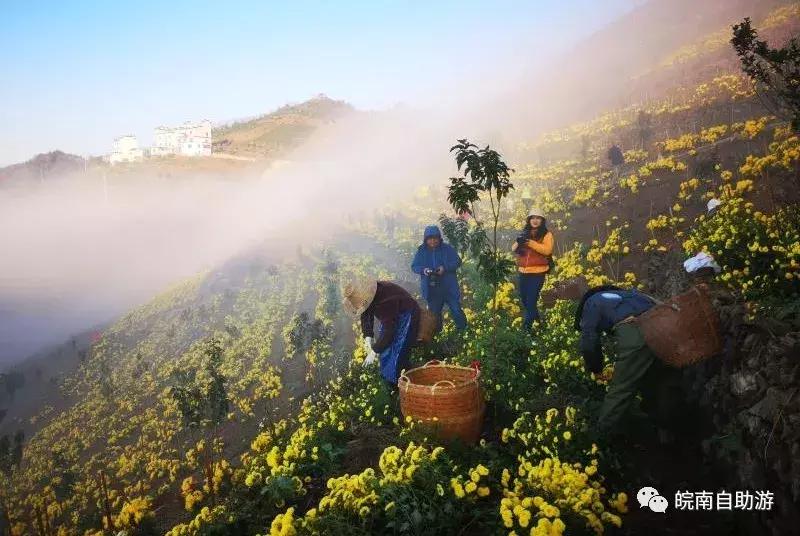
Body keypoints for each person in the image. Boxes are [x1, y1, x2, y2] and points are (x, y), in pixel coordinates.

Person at [545, 277, 684, 438]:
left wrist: (596, 369)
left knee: (621, 388)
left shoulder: (590, 304)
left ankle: (601, 436)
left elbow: (589, 342)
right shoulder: (628, 295)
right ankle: (669, 427)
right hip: (667, 328)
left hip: (638, 331)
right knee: (658, 379)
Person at [343, 278, 421, 385]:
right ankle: (392, 382)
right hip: (391, 318)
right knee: (385, 353)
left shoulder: (384, 302)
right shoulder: (367, 296)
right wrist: (368, 337)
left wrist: (374, 352)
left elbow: (389, 331)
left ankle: (403, 385)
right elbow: (365, 313)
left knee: (399, 353)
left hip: (407, 315)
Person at [411, 225, 467, 332]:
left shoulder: (447, 248)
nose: (433, 241)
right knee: (434, 314)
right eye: (430, 239)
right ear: (426, 239)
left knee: (456, 310)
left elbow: (457, 261)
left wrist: (444, 268)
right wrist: (424, 270)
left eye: (435, 238)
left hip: (449, 287)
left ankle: (463, 331)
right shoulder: (422, 251)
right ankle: (438, 334)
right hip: (432, 289)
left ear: (439, 238)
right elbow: (414, 266)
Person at [511, 208, 554, 331]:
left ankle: (526, 330)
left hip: (537, 273)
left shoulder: (547, 234)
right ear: (529, 220)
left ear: (542, 220)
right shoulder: (525, 232)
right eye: (533, 218)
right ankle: (539, 325)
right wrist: (519, 241)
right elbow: (513, 249)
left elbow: (547, 250)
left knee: (531, 301)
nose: (535, 220)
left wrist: (530, 242)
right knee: (525, 301)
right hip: (523, 272)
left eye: (538, 218)